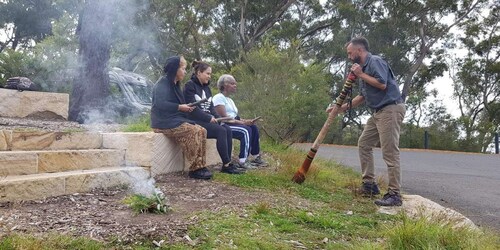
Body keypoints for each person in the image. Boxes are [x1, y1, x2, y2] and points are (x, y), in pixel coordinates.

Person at [327, 37, 406, 206]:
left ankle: (394, 194)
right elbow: (362, 96)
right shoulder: (362, 69)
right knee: (364, 143)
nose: (349, 56)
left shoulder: (375, 61)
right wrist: (338, 108)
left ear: (359, 51)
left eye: (350, 53)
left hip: (390, 109)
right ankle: (369, 185)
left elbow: (382, 84)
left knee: (390, 152)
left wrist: (360, 74)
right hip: (378, 111)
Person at [150, 56, 212, 180]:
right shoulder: (162, 84)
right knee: (192, 131)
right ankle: (194, 169)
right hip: (163, 122)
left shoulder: (176, 84)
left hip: (175, 119)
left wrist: (187, 107)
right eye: (183, 69)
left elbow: (179, 105)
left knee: (202, 130)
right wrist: (179, 107)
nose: (184, 72)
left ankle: (201, 165)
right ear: (175, 69)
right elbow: (160, 104)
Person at [183, 61, 243, 174]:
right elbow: (192, 109)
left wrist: (217, 118)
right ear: (199, 73)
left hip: (207, 121)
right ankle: (226, 165)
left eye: (210, 74)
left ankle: (228, 163)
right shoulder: (189, 86)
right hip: (194, 121)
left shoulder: (207, 89)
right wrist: (208, 118)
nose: (209, 76)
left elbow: (211, 108)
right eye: (207, 73)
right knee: (220, 131)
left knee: (227, 129)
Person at [212, 74, 267, 169]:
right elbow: (225, 118)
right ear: (225, 85)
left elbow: (235, 117)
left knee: (253, 128)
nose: (235, 86)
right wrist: (243, 123)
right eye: (232, 84)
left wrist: (247, 121)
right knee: (245, 130)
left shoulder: (230, 100)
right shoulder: (218, 98)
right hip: (225, 125)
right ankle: (243, 160)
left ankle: (256, 156)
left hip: (233, 123)